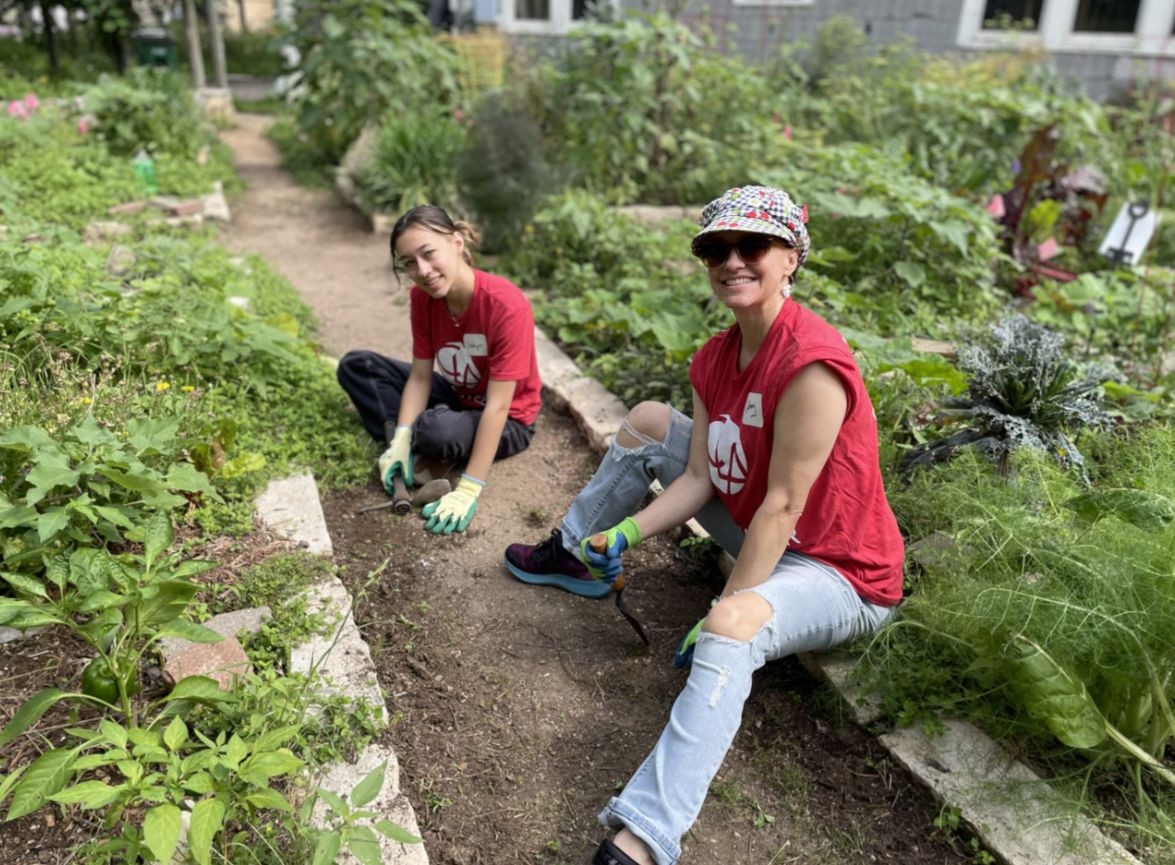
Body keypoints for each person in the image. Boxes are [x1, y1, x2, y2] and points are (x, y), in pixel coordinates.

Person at [503, 186, 904, 865]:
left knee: (729, 628)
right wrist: (627, 533)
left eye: (753, 246)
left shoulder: (810, 363)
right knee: (651, 420)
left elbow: (781, 504)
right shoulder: (714, 359)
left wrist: (727, 603)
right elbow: (697, 476)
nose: (732, 260)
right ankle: (574, 551)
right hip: (771, 541)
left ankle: (646, 835)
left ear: (790, 259)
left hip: (840, 572)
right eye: (716, 248)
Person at [338, 205, 541, 534]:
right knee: (357, 366)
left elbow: (499, 405)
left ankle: (432, 445)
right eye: (409, 263)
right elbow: (419, 378)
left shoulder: (506, 306)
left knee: (438, 430)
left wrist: (469, 489)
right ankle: (409, 448)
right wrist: (402, 436)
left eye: (429, 253)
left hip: (509, 420)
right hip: (459, 395)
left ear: (457, 243)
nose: (423, 270)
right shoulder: (422, 298)